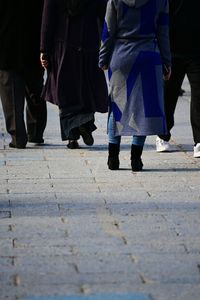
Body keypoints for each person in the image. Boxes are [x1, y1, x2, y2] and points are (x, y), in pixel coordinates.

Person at [99, 0, 171, 171]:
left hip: (121, 56)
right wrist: (167, 62)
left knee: (117, 107)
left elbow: (108, 31)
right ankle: (136, 159)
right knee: (142, 110)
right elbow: (163, 33)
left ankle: (113, 158)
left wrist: (103, 58)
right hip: (148, 56)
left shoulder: (115, 1)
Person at [40, 0, 108, 149]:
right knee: (86, 87)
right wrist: (107, 44)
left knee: (65, 91)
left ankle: (72, 137)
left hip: (62, 45)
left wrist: (44, 50)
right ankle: (85, 122)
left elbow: (48, 19)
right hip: (88, 44)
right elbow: (104, 15)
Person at [156, 0, 200, 158]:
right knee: (168, 96)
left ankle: (199, 141)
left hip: (196, 52)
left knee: (198, 96)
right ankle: (163, 135)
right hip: (172, 51)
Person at [0, 0, 47, 149]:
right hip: (34, 45)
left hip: (7, 45)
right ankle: (36, 132)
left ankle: (18, 137)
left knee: (11, 96)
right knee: (36, 91)